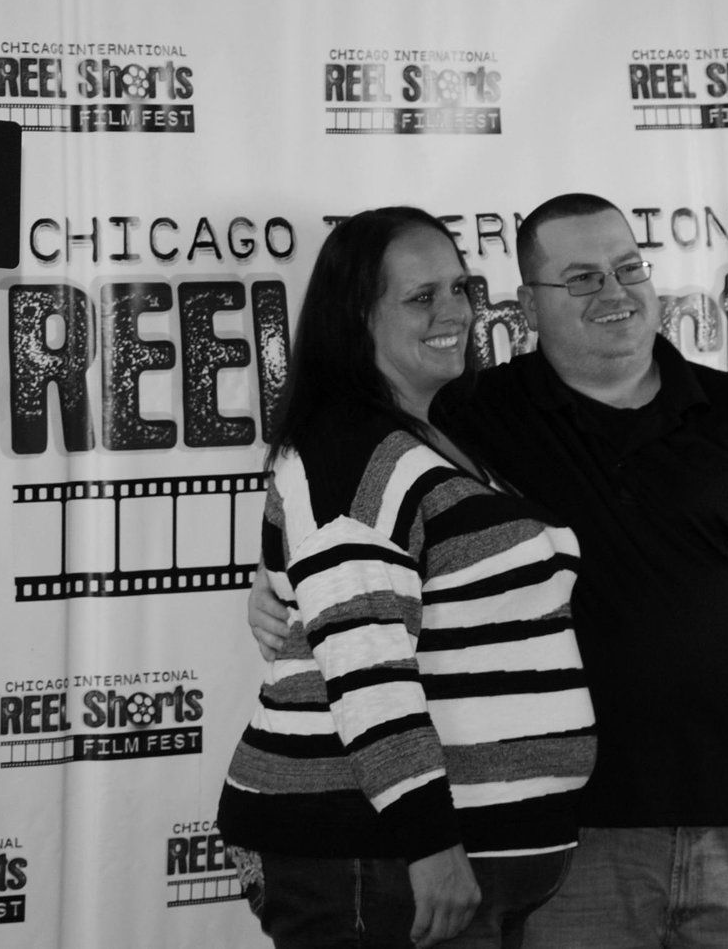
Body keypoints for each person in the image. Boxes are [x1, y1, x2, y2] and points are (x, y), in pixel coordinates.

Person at [259, 193, 728, 947]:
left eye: (627, 268)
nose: (613, 293)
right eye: (579, 279)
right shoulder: (465, 413)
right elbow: (340, 507)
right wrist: (277, 580)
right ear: (528, 305)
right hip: (566, 841)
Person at [217, 206, 596, 949]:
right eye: (421, 297)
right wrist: (429, 844)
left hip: (433, 864)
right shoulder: (348, 451)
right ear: (356, 316)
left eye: (460, 288)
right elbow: (366, 667)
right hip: (376, 860)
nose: (453, 311)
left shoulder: (437, 436)